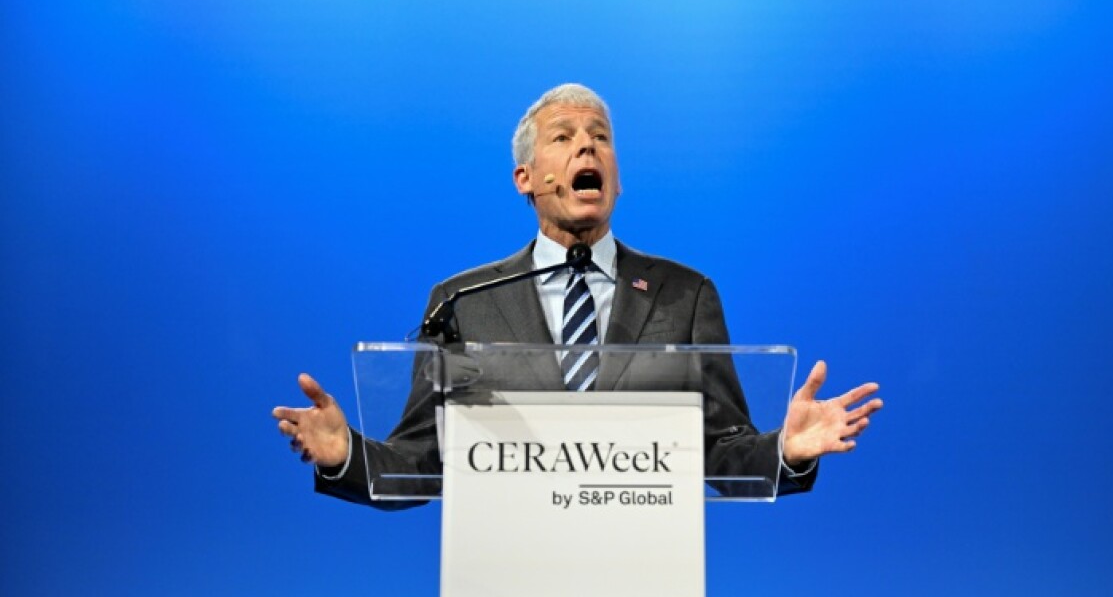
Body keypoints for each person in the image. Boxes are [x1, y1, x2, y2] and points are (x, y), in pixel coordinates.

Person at [272, 83, 882, 504]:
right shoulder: (463, 302)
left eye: (600, 137)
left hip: (649, 591)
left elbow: (723, 454)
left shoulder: (685, 294)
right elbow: (422, 461)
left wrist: (789, 450)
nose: (587, 145)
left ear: (616, 179)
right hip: (506, 595)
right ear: (526, 179)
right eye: (563, 138)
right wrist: (345, 453)